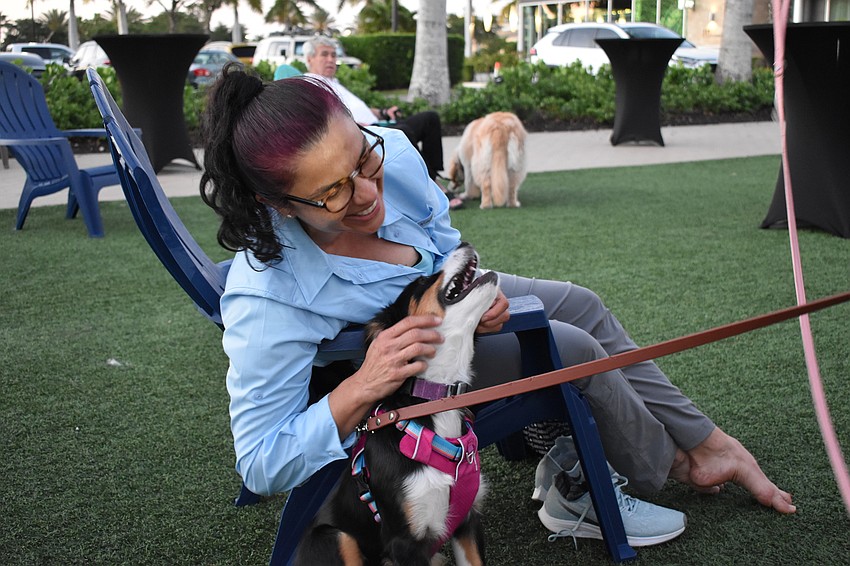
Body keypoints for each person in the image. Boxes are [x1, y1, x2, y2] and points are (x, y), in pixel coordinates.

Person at [199, 68, 795, 545]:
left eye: (362, 160)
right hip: (414, 372)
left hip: (443, 309)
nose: (368, 194)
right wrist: (362, 384)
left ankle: (709, 445)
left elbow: (441, 242)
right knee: (572, 346)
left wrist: (474, 290)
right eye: (333, 192)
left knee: (581, 305)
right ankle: (656, 468)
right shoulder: (269, 294)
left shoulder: (393, 155)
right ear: (276, 203)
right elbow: (260, 460)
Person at [303, 35, 445, 181]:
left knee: (430, 119)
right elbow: (322, 120)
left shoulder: (334, 82)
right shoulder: (311, 85)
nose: (331, 59)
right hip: (363, 135)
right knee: (403, 132)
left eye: (333, 55)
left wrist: (384, 112)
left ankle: (434, 176)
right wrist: (354, 126)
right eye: (324, 54)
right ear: (309, 59)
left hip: (376, 127)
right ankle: (429, 183)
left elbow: (359, 109)